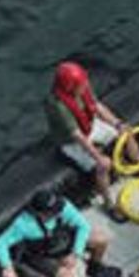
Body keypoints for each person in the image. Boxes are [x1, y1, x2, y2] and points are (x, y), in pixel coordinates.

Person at [0, 187, 105, 277]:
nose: (59, 211)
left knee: (101, 240)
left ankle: (94, 270)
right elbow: (0, 243)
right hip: (42, 256)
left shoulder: (62, 206)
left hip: (61, 241)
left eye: (58, 208)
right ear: (39, 213)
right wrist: (7, 267)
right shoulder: (23, 224)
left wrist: (76, 253)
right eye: (53, 211)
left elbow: (83, 226)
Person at [44, 61, 124, 191]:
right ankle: (109, 203)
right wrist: (98, 158)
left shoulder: (82, 85)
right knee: (101, 167)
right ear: (71, 87)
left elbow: (97, 106)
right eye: (80, 84)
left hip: (90, 125)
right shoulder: (58, 107)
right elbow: (77, 136)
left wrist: (118, 124)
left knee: (126, 133)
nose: (85, 85)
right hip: (72, 142)